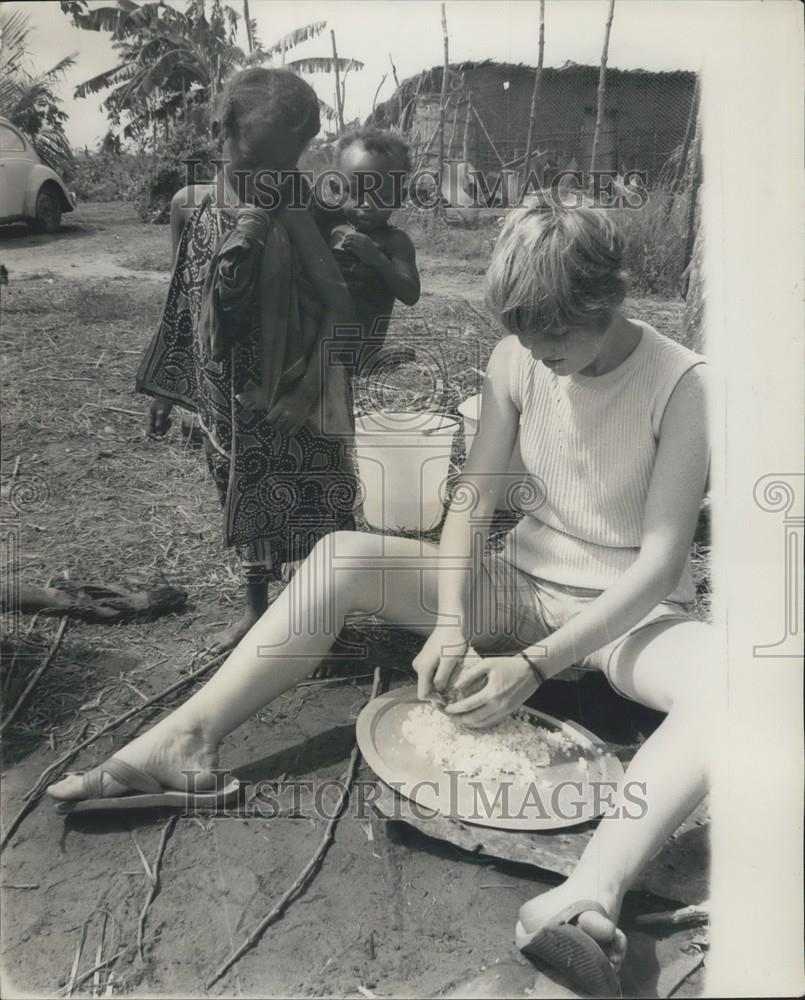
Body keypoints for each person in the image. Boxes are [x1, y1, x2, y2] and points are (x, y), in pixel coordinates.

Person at [50, 205, 711, 997]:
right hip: (522, 584)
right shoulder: (516, 359)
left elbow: (661, 561)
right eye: (527, 338)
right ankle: (183, 743)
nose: (541, 356)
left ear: (610, 303)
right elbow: (470, 501)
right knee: (341, 554)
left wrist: (535, 665)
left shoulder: (684, 385)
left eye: (557, 340)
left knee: (733, 682)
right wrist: (456, 623)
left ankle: (587, 897)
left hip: (626, 616)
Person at [136, 68, 358, 654]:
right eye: (258, 162)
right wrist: (167, 390)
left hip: (292, 395)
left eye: (287, 166)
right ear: (221, 134)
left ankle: (320, 621)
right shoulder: (192, 207)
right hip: (225, 399)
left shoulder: (294, 209)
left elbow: (341, 307)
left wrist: (306, 391)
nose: (271, 180)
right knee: (239, 496)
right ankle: (257, 611)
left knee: (311, 505)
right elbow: (186, 295)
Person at [315, 126, 420, 377]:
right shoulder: (329, 223)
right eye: (356, 192)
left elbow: (410, 293)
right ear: (337, 188)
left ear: (398, 197)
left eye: (382, 196)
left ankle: (380, 358)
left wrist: (377, 259)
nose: (366, 205)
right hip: (318, 338)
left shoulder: (395, 241)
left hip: (360, 347)